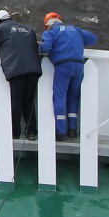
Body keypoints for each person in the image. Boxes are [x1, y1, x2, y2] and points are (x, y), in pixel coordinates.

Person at [39, 11, 98, 141]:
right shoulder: (76, 29)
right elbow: (93, 39)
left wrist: (42, 46)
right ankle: (73, 130)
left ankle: (61, 133)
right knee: (73, 97)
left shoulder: (50, 32)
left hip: (63, 66)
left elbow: (45, 47)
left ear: (47, 25)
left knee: (60, 97)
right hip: (79, 66)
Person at [0, 9, 42, 139]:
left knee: (16, 101)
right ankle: (32, 131)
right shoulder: (28, 28)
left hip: (16, 69)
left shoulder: (1, 28)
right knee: (29, 101)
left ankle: (15, 132)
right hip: (33, 69)